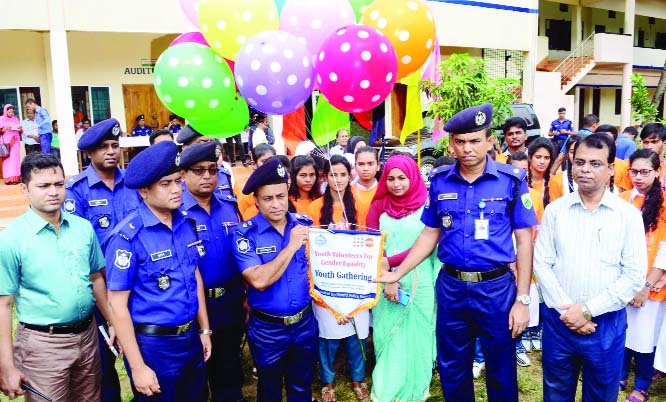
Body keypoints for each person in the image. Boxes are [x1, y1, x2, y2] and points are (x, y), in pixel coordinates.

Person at [375, 103, 537, 402]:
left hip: (496, 288)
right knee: (453, 367)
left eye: (475, 140)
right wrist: (398, 272)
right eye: (460, 142)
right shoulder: (439, 181)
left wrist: (523, 299)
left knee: (501, 367)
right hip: (451, 287)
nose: (467, 149)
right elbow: (430, 233)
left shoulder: (511, 180)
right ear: (451, 144)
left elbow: (525, 241)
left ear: (490, 141)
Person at [533, 133, 646, 401]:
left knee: (601, 394)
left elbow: (633, 275)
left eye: (595, 164)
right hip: (560, 320)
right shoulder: (555, 211)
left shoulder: (627, 215)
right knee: (556, 393)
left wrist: (587, 311)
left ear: (610, 169)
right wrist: (570, 313)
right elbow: (542, 264)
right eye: (579, 162)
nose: (585, 169)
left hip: (605, 323)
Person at [0, 153, 113, 401]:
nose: (53, 192)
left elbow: (96, 278)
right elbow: (4, 305)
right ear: (24, 189)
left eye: (59, 184)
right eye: (43, 186)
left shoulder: (83, 228)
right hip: (43, 345)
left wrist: (113, 322)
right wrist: (6, 366)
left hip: (88, 336)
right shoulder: (11, 239)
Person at [105, 141, 211, 402]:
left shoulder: (186, 223)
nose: (176, 190)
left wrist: (204, 329)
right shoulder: (127, 236)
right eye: (166, 184)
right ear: (144, 190)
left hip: (190, 338)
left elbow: (193, 275)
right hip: (155, 346)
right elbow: (117, 305)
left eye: (177, 181)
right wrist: (138, 367)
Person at [65, 117, 142, 402]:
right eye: (103, 147)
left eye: (114, 144)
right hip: (99, 291)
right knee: (104, 368)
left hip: (138, 288)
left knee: (142, 360)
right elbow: (80, 251)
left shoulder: (135, 183)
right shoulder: (77, 190)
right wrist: (109, 313)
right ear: (89, 153)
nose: (111, 151)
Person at [233, 157, 317, 402]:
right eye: (268, 199)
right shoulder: (244, 234)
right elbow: (258, 280)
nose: (276, 205)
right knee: (269, 391)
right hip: (268, 329)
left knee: (301, 388)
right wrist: (291, 246)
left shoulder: (305, 225)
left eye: (281, 196)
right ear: (256, 201)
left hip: (304, 323)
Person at [366, 154, 438, 402]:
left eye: (402, 178)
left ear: (414, 177)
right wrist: (390, 278)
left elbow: (427, 242)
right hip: (383, 278)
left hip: (420, 278)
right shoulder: (379, 205)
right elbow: (372, 242)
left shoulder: (427, 204)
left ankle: (416, 390)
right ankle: (387, 390)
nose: (396, 184)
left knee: (419, 331)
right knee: (388, 333)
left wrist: (395, 268)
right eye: (391, 179)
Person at [179, 142, 246, 402]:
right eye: (198, 170)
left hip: (229, 300)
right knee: (195, 376)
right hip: (194, 304)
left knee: (227, 368)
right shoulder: (176, 211)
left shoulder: (229, 205)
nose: (207, 176)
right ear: (183, 174)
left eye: (211, 169)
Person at [307, 154, 370, 402]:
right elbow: (310, 250)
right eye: (333, 174)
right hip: (326, 282)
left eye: (343, 174)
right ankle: (328, 381)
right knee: (328, 337)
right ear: (325, 177)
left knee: (356, 336)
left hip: (355, 281)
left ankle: (358, 378)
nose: (338, 179)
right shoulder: (314, 209)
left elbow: (369, 245)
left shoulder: (360, 206)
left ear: (350, 175)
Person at [619, 149, 666, 402]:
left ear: (657, 172)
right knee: (623, 329)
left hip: (653, 281)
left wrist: (646, 286)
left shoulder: (664, 203)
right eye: (634, 171)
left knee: (645, 334)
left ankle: (642, 385)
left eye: (645, 172)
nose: (638, 177)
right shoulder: (622, 199)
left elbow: (664, 248)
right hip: (622, 278)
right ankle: (620, 373)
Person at [177, 125, 235, 201]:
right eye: (202, 142)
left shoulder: (223, 173)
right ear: (185, 148)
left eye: (211, 142)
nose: (209, 146)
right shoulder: (174, 179)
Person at [237, 144, 277, 219]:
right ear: (254, 164)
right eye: (264, 161)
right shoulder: (246, 194)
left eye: (272, 160)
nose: (269, 164)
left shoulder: (283, 186)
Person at [549, 134, 583, 200]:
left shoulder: (597, 177)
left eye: (580, 151)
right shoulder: (558, 179)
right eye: (572, 152)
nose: (576, 156)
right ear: (567, 153)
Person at [352, 146, 380, 219]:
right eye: (361, 164)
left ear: (378, 166)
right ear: (355, 166)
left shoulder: (384, 191)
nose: (365, 168)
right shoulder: (347, 192)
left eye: (370, 164)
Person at [639, 123, 666, 190]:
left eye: (654, 142)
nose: (649, 147)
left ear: (664, 144)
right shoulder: (635, 167)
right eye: (646, 142)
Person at [0, 104, 22, 184]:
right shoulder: (1, 119)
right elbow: (0, 131)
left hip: (15, 141)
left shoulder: (15, 118)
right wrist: (6, 128)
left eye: (12, 112)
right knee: (8, 161)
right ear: (5, 111)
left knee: (15, 160)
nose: (11, 114)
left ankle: (16, 178)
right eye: (9, 112)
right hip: (7, 143)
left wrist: (19, 129)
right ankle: (8, 179)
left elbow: (20, 130)